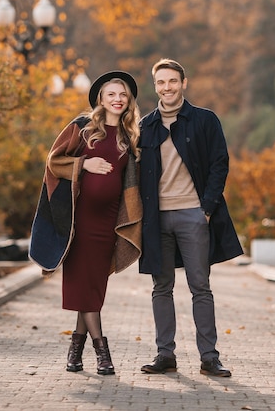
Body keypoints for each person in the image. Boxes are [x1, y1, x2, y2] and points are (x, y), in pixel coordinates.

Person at [29, 71, 142, 376]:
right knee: (86, 289)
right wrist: (84, 164)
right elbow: (54, 161)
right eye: (111, 95)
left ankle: (74, 350)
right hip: (79, 225)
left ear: (128, 100)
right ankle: (102, 352)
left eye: (123, 95)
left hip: (108, 226)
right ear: (101, 100)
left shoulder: (129, 137)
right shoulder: (82, 128)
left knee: (92, 289)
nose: (118, 100)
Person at [138, 58, 243, 377]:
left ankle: (209, 357)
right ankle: (165, 355)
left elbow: (219, 163)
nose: (166, 88)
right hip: (157, 220)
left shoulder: (204, 120)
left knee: (200, 285)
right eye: (160, 82)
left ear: (184, 83)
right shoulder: (146, 126)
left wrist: (206, 209)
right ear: (154, 86)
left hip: (193, 216)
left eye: (172, 81)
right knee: (161, 287)